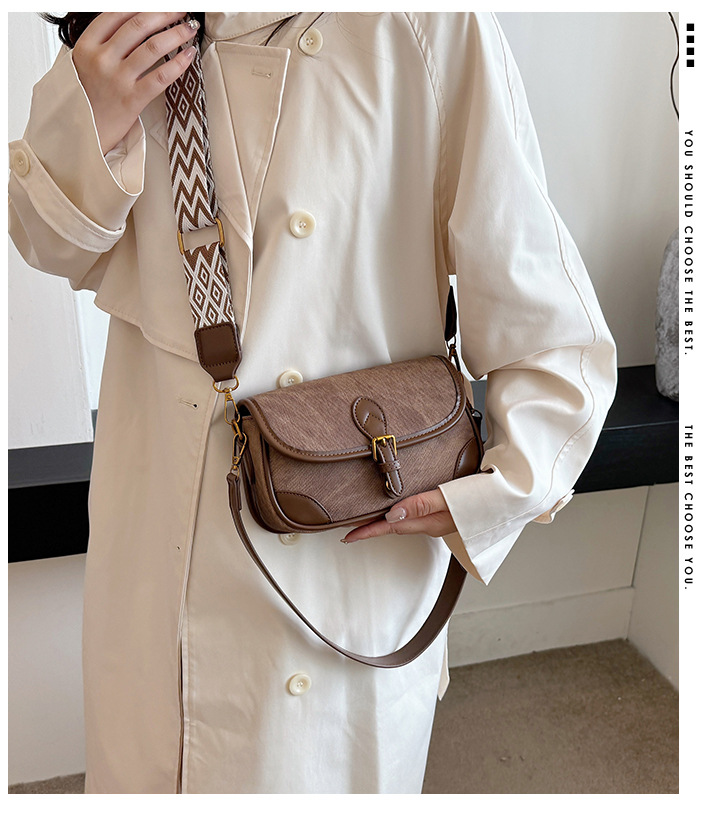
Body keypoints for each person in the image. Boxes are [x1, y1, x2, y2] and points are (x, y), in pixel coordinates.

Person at [9, 12, 617, 794]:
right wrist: (92, 113)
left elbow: (547, 322)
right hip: (165, 532)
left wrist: (496, 489)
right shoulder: (139, 20)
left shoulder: (430, 24)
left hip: (351, 542)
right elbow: (50, 243)